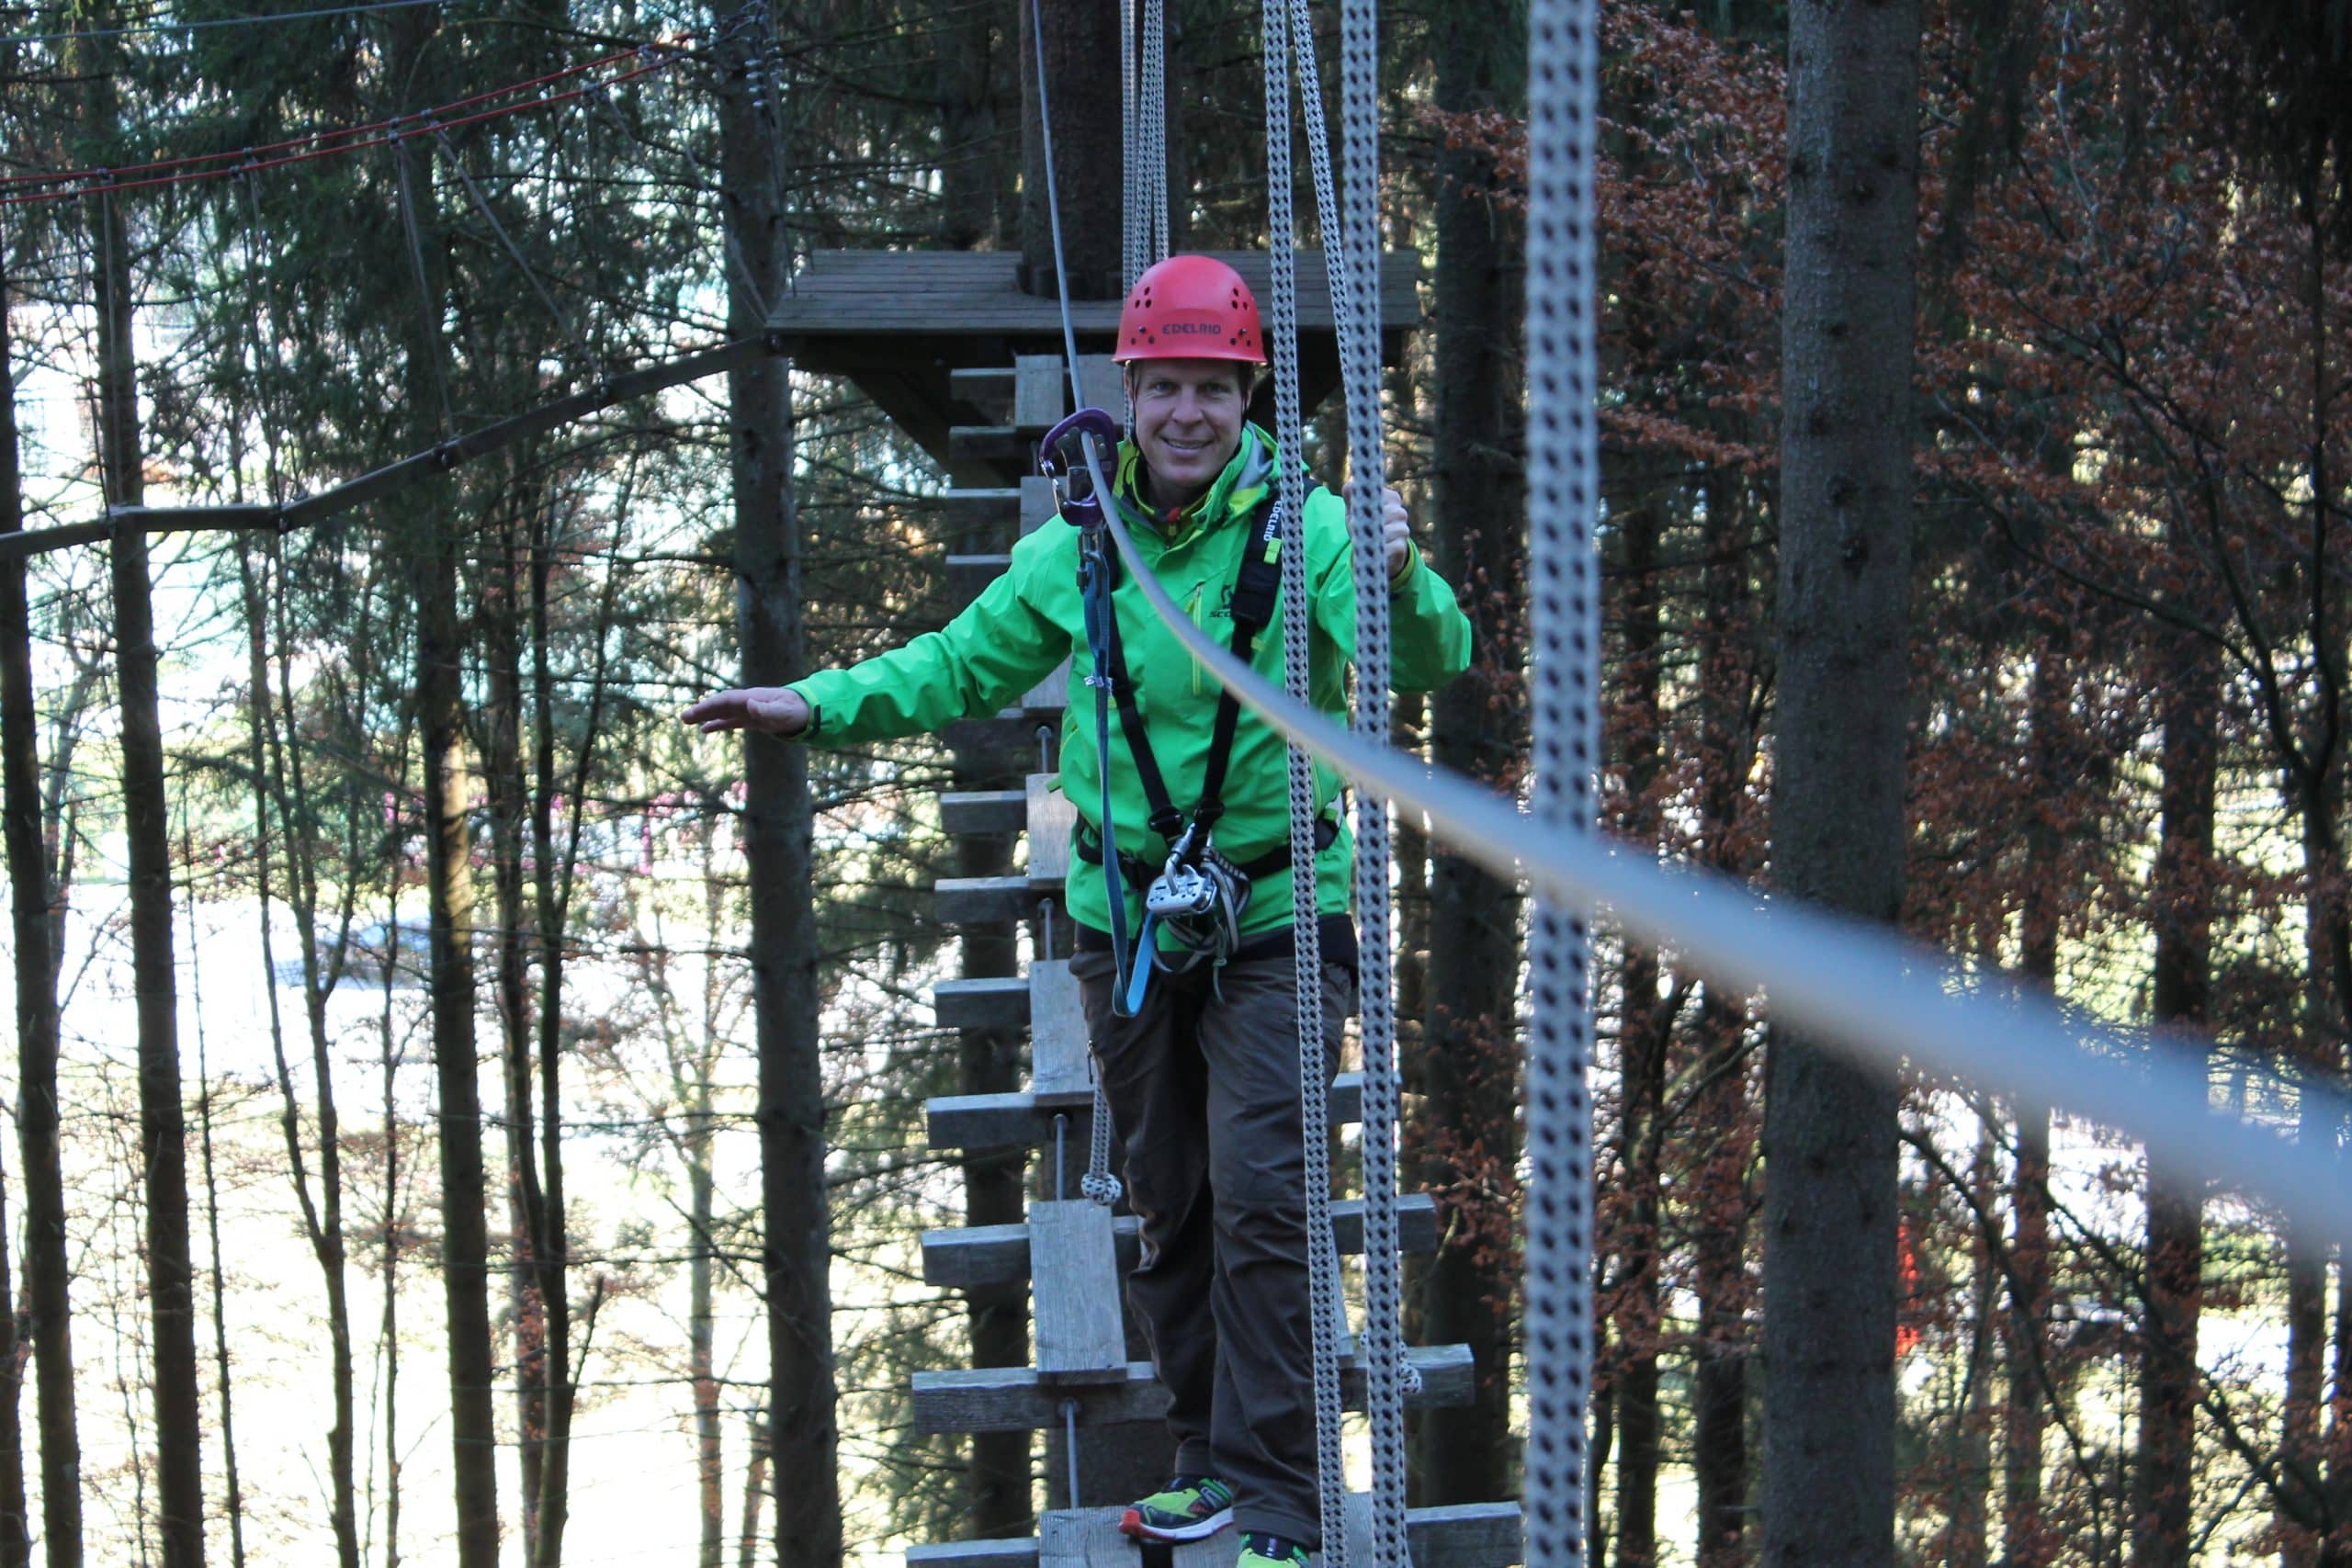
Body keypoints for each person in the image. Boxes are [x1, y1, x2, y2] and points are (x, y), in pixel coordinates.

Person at [684, 254, 1472, 1568]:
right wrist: (811, 703)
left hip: (1279, 909)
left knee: (1269, 1201)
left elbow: (1433, 660)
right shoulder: (1080, 544)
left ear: (1247, 399)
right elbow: (959, 661)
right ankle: (1202, 1456)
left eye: (1212, 393)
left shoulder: (1313, 527)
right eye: (1164, 388)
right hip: (1134, 921)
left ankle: (1281, 1498)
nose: (1184, 416)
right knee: (1171, 1199)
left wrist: (1398, 574)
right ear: (1132, 388)